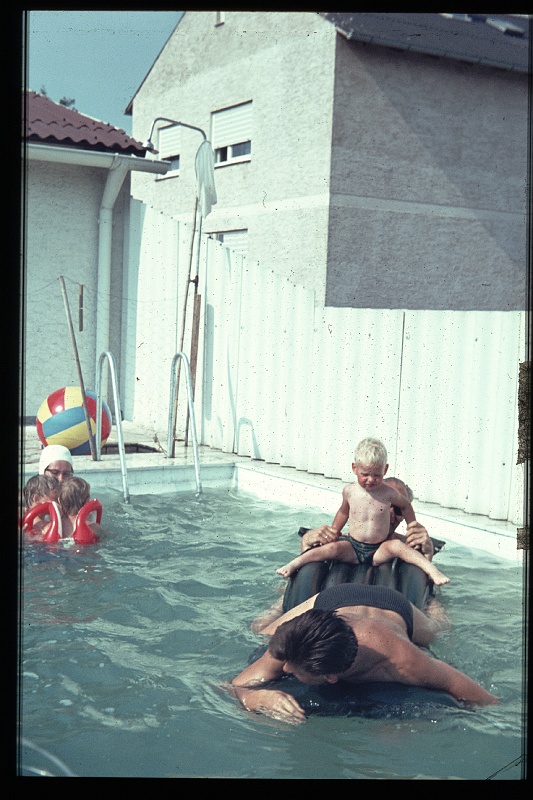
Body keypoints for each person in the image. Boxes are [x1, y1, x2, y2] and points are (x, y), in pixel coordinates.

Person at [231, 584, 499, 723]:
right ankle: (281, 597)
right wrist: (255, 698)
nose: (285, 669)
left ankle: (434, 601)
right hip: (333, 601)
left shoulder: (400, 660)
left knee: (439, 629)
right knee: (261, 629)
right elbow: (233, 686)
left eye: (295, 669)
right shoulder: (296, 639)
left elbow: (475, 694)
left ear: (332, 677)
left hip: (392, 606)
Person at [276, 438, 449, 585]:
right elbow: (343, 512)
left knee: (396, 546)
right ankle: (294, 563)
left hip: (379, 551)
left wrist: (421, 541)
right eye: (365, 474)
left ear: (384, 470)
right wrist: (327, 533)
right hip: (353, 546)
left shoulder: (402, 542)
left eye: (395, 509)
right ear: (355, 469)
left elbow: (406, 507)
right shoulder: (350, 492)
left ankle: (432, 571)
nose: (371, 480)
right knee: (332, 548)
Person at [21, 474, 60, 540]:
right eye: (55, 498)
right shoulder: (47, 526)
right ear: (37, 499)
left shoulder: (22, 522)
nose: (59, 502)